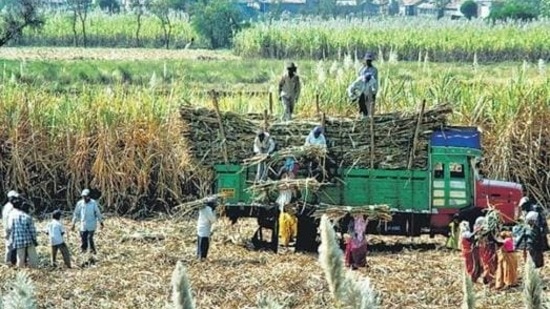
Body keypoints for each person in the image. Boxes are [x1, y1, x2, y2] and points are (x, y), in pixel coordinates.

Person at [6, 198, 38, 268]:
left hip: (18, 241)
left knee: (20, 258)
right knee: (33, 257)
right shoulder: (27, 217)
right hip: (29, 240)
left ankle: (21, 272)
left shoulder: (12, 217)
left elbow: (10, 228)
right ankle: (35, 270)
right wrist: (35, 240)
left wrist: (11, 240)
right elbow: (32, 231)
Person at [72, 189, 104, 255]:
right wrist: (73, 224)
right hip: (83, 224)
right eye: (83, 197)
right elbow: (76, 213)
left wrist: (101, 222)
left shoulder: (93, 203)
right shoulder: (80, 203)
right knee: (83, 238)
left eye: (86, 196)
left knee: (89, 238)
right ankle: (84, 251)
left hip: (91, 224)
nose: (84, 198)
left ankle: (93, 251)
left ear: (89, 196)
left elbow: (97, 213)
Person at [277, 172, 298, 248]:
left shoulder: (292, 186)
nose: (287, 179)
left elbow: (295, 195)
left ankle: (290, 238)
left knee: (292, 222)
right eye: (284, 177)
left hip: (289, 204)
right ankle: (284, 241)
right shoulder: (281, 184)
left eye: (289, 177)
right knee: (284, 223)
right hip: (283, 204)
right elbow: (280, 187)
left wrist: (292, 188)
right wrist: (287, 185)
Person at [474, 216, 497, 286]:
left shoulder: (486, 230)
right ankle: (487, 277)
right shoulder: (479, 231)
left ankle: (487, 277)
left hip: (486, 249)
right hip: (484, 249)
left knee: (487, 263)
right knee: (486, 263)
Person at [2, 190, 19, 265]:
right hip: (9, 228)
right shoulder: (10, 207)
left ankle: (12, 262)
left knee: (12, 246)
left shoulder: (7, 206)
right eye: (14, 198)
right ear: (10, 198)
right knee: (9, 246)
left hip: (9, 228)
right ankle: (8, 262)